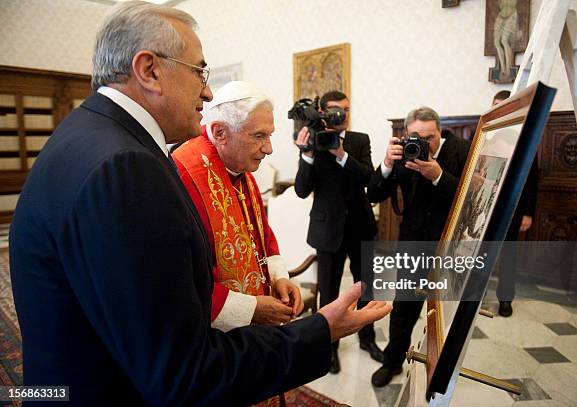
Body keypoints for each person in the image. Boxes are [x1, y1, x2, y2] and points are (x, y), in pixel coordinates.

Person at [8, 2, 391, 406]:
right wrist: (319, 331)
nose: (207, 91)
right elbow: (180, 372)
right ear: (149, 70)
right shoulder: (129, 167)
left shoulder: (83, 133)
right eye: (199, 71)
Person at [173, 81, 303, 334]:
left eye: (269, 135)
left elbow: (261, 232)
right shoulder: (184, 173)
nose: (268, 148)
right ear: (220, 132)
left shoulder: (241, 167)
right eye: (259, 136)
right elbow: (184, 276)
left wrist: (279, 278)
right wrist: (250, 309)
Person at [367, 107, 470, 387]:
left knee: (445, 314)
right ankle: (392, 363)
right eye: (417, 136)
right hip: (413, 245)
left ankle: (441, 369)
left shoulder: (461, 149)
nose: (425, 142)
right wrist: (387, 163)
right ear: (405, 135)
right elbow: (373, 193)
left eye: (431, 137)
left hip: (450, 247)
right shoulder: (404, 152)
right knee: (404, 308)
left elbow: (471, 198)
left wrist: (438, 175)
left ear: (440, 131)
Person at [294, 90, 382, 374]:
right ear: (321, 111)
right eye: (334, 109)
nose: (341, 115)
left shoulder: (359, 140)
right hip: (327, 229)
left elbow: (368, 178)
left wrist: (341, 155)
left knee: (366, 287)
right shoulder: (313, 142)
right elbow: (301, 189)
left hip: (361, 226)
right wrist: (307, 155)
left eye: (345, 109)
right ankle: (328, 348)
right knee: (329, 293)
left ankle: (367, 338)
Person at [492, 90, 538, 317]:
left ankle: (505, 299)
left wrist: (528, 213)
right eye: (497, 107)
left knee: (508, 256)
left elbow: (531, 178)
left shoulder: (525, 139)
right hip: (485, 208)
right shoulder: (486, 138)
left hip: (512, 209)